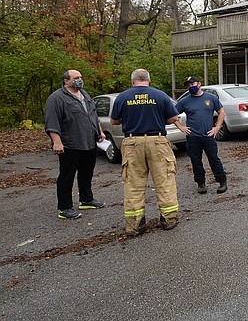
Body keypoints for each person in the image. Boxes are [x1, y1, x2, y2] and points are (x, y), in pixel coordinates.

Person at [110, 69, 187, 236]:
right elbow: (173, 118)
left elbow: (114, 120)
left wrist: (131, 117)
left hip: (132, 142)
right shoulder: (160, 96)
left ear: (132, 81)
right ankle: (168, 219)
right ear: (149, 80)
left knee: (133, 184)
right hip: (157, 141)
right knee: (165, 180)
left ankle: (135, 224)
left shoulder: (122, 97)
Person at [45, 70, 107, 220]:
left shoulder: (84, 94)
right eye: (76, 78)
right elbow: (52, 122)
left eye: (80, 77)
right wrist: (57, 142)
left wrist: (100, 132)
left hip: (89, 141)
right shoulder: (56, 98)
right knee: (67, 176)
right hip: (70, 144)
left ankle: (86, 200)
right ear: (66, 81)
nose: (80, 80)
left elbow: (93, 115)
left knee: (87, 172)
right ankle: (64, 208)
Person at [176, 76, 228, 194]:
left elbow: (221, 112)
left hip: (208, 137)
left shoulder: (211, 98)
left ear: (199, 84)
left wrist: (217, 127)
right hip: (193, 138)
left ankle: (222, 181)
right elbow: (173, 115)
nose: (190, 87)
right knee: (196, 161)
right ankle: (201, 183)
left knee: (214, 159)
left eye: (192, 84)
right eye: (188, 85)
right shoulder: (184, 101)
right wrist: (181, 127)